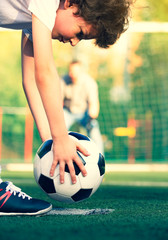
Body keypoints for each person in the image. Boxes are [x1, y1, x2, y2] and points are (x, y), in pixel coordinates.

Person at [0, 0, 133, 215]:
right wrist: (60, 138)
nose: (74, 43)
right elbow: (44, 73)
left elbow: (30, 80)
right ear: (71, 4)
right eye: (80, 32)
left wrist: (49, 140)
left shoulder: (34, 16)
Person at [61, 60, 104, 154]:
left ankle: (100, 159)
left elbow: (93, 104)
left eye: (75, 71)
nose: (72, 74)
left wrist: (91, 119)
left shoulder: (89, 82)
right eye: (71, 71)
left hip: (84, 114)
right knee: (57, 131)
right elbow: (57, 102)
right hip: (68, 112)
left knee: (94, 133)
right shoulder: (63, 81)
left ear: (81, 72)